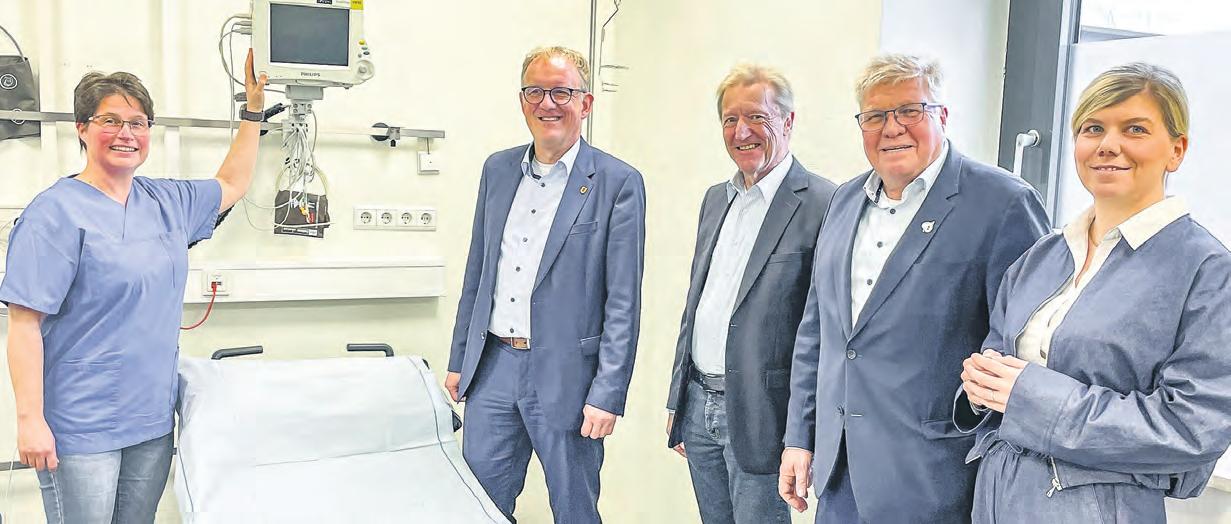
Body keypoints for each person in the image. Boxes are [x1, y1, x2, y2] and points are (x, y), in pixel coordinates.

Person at [779, 53, 1049, 523]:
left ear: (942, 115)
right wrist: (799, 438)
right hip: (839, 476)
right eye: (875, 116)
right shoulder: (843, 201)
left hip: (937, 479)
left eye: (910, 110)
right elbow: (817, 331)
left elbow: (1017, 345)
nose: (892, 128)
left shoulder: (1004, 203)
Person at [957, 63, 1231, 523]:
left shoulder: (1208, 271)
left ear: (1176, 150)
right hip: (998, 497)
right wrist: (982, 386)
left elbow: (1192, 428)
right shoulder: (1042, 256)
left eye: (1135, 129)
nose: (1108, 144)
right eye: (1093, 128)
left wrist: (1029, 395)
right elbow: (1001, 364)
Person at [0, 51, 266, 523]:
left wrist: (252, 113)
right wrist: (29, 420)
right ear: (82, 128)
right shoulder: (53, 214)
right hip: (81, 427)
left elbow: (232, 182)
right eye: (111, 120)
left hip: (151, 421)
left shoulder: (167, 201)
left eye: (138, 123)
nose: (126, 133)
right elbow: (24, 325)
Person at [444, 45, 646, 523]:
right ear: (522, 101)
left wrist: (607, 392)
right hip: (493, 368)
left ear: (586, 103)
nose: (547, 104)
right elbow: (478, 272)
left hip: (568, 378)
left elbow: (623, 301)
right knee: (479, 507)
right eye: (535, 92)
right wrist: (460, 359)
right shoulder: (497, 170)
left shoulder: (617, 182)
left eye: (561, 92)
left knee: (574, 510)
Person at [663, 63, 835, 524]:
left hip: (764, 415)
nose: (742, 132)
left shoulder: (824, 203)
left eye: (757, 117)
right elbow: (697, 306)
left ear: (788, 121)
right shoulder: (715, 199)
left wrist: (802, 431)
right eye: (730, 119)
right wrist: (679, 400)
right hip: (698, 404)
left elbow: (821, 331)